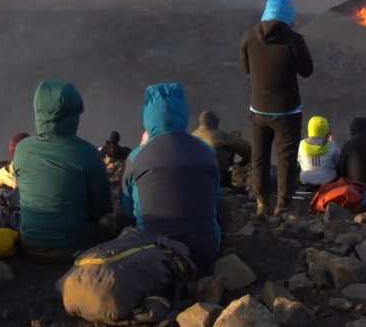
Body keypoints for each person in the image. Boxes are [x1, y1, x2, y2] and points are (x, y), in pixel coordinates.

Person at [122, 84, 223, 270]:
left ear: (148, 118)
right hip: (204, 253)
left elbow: (128, 210)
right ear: (183, 115)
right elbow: (214, 199)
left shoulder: (136, 156)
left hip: (154, 255)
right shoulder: (206, 151)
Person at [13, 80, 115, 262]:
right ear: (73, 115)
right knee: (119, 216)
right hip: (77, 247)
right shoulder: (88, 153)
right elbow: (102, 208)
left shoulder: (22, 149)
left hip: (30, 245)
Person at [239, 0, 315, 219]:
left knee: (259, 156)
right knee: (286, 157)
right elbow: (307, 71)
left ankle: (261, 202)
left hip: (258, 109)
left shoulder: (249, 36)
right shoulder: (294, 40)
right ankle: (283, 203)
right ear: (288, 15)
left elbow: (245, 69)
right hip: (287, 111)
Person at [192, 111, 251, 188]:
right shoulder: (218, 134)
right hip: (220, 174)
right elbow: (246, 146)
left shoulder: (193, 135)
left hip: (198, 174)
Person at [296, 116, 340, 188]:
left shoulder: (301, 144)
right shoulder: (332, 145)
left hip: (305, 181)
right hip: (328, 181)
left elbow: (299, 160)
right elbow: (338, 162)